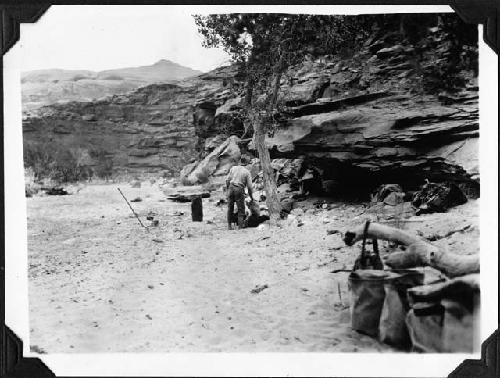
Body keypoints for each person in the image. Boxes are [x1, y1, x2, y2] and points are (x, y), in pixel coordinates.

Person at [226, 158, 254, 230]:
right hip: (239, 189)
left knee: (230, 208)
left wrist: (228, 189)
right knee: (241, 209)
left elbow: (227, 180)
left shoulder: (233, 168)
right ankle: (240, 227)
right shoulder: (247, 172)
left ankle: (229, 226)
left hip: (231, 188)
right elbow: (250, 187)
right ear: (247, 164)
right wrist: (251, 197)